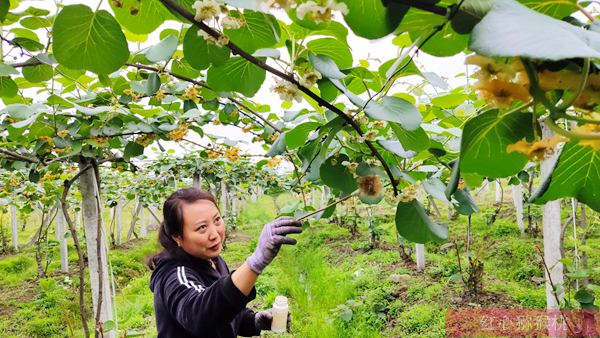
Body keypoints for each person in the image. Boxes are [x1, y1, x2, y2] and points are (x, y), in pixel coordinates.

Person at [148, 188, 302, 337]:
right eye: (202, 228)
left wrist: (253, 321)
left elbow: (223, 312)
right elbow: (200, 316)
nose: (215, 234)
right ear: (177, 236)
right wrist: (255, 263)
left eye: (217, 220)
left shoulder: (213, 260)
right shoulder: (174, 275)